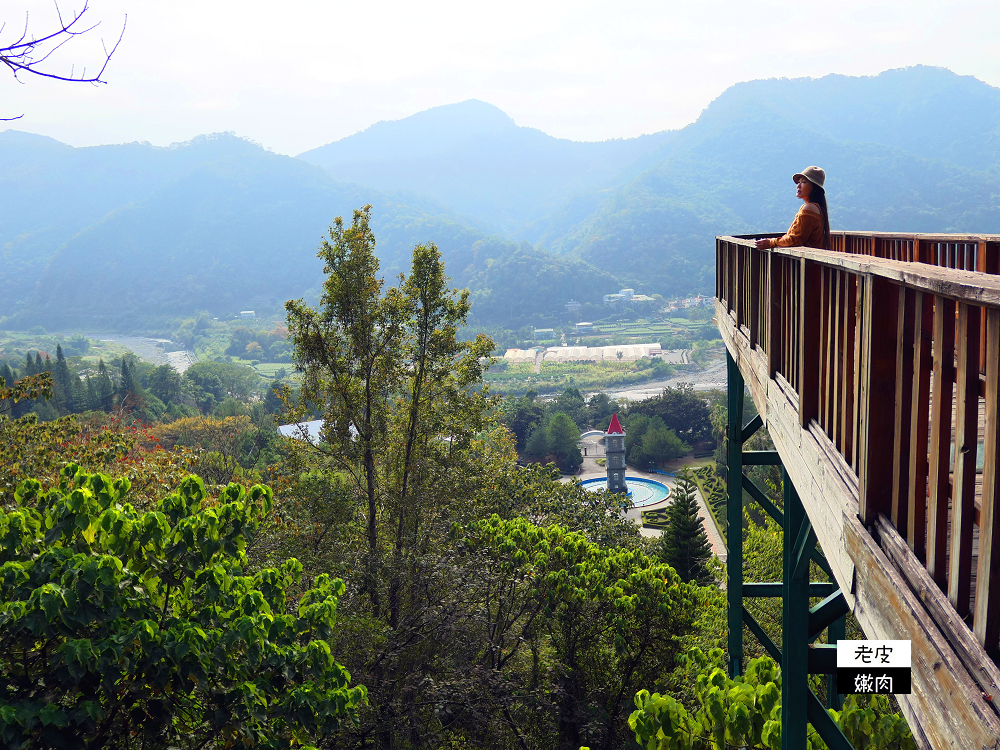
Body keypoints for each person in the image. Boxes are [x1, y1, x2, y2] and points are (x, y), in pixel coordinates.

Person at [755, 166, 830, 250]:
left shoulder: (809, 208)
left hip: (806, 262)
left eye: (804, 182)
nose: (798, 186)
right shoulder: (815, 207)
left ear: (814, 187)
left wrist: (771, 242)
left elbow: (795, 240)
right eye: (798, 182)